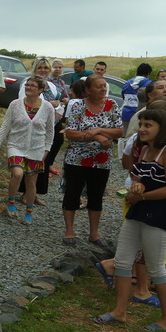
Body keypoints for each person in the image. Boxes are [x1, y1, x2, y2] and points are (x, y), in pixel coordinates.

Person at [93, 108, 166, 332]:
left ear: (162, 128)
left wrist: (141, 195)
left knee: (156, 268)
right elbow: (139, 178)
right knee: (122, 262)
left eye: (148, 125)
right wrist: (137, 186)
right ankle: (119, 311)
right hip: (137, 212)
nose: (141, 128)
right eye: (141, 124)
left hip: (158, 216)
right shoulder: (144, 150)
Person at [61, 74, 123, 246]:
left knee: (96, 195)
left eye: (105, 86)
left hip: (102, 159)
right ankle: (69, 230)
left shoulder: (112, 105)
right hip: (77, 158)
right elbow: (71, 132)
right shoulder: (78, 105)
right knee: (72, 193)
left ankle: (94, 234)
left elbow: (119, 131)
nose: (103, 89)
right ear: (87, 90)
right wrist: (98, 138)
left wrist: (97, 131)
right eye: (99, 86)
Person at [0, 76, 56, 225]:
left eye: (33, 86)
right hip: (16, 145)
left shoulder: (47, 107)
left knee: (31, 181)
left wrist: (47, 149)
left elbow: (50, 131)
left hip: (37, 148)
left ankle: (29, 211)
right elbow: (5, 125)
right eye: (27, 85)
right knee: (18, 173)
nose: (28, 87)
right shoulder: (15, 104)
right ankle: (11, 202)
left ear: (40, 90)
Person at [33, 57, 68, 198]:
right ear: (35, 69)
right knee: (34, 159)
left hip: (50, 124)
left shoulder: (52, 85)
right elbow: (28, 104)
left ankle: (36, 193)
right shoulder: (29, 84)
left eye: (46, 68)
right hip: (35, 126)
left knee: (44, 159)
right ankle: (27, 192)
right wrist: (51, 107)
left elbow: (58, 102)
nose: (43, 70)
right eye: (40, 68)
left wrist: (58, 109)